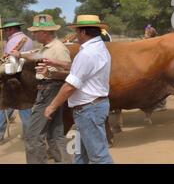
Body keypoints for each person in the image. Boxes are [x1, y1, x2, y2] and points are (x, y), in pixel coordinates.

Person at [44, 15, 113, 164]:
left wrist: (52, 106)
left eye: (76, 31)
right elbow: (81, 68)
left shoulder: (87, 53)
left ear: (83, 32)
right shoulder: (98, 48)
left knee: (99, 157)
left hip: (88, 110)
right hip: (91, 108)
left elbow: (70, 86)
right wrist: (56, 62)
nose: (75, 34)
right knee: (80, 156)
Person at [9, 14, 71, 163]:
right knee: (55, 133)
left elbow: (69, 72)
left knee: (33, 135)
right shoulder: (48, 48)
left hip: (49, 90)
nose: (33, 34)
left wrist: (49, 73)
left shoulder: (59, 49)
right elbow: (36, 56)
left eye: (35, 32)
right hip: (49, 90)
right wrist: (20, 55)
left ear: (45, 32)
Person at [0, 19, 33, 143]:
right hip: (27, 76)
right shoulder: (28, 39)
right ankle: (29, 134)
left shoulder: (12, 41)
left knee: (5, 104)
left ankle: (0, 134)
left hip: (12, 77)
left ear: (12, 29)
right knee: (25, 106)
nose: (6, 32)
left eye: (6, 30)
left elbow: (8, 61)